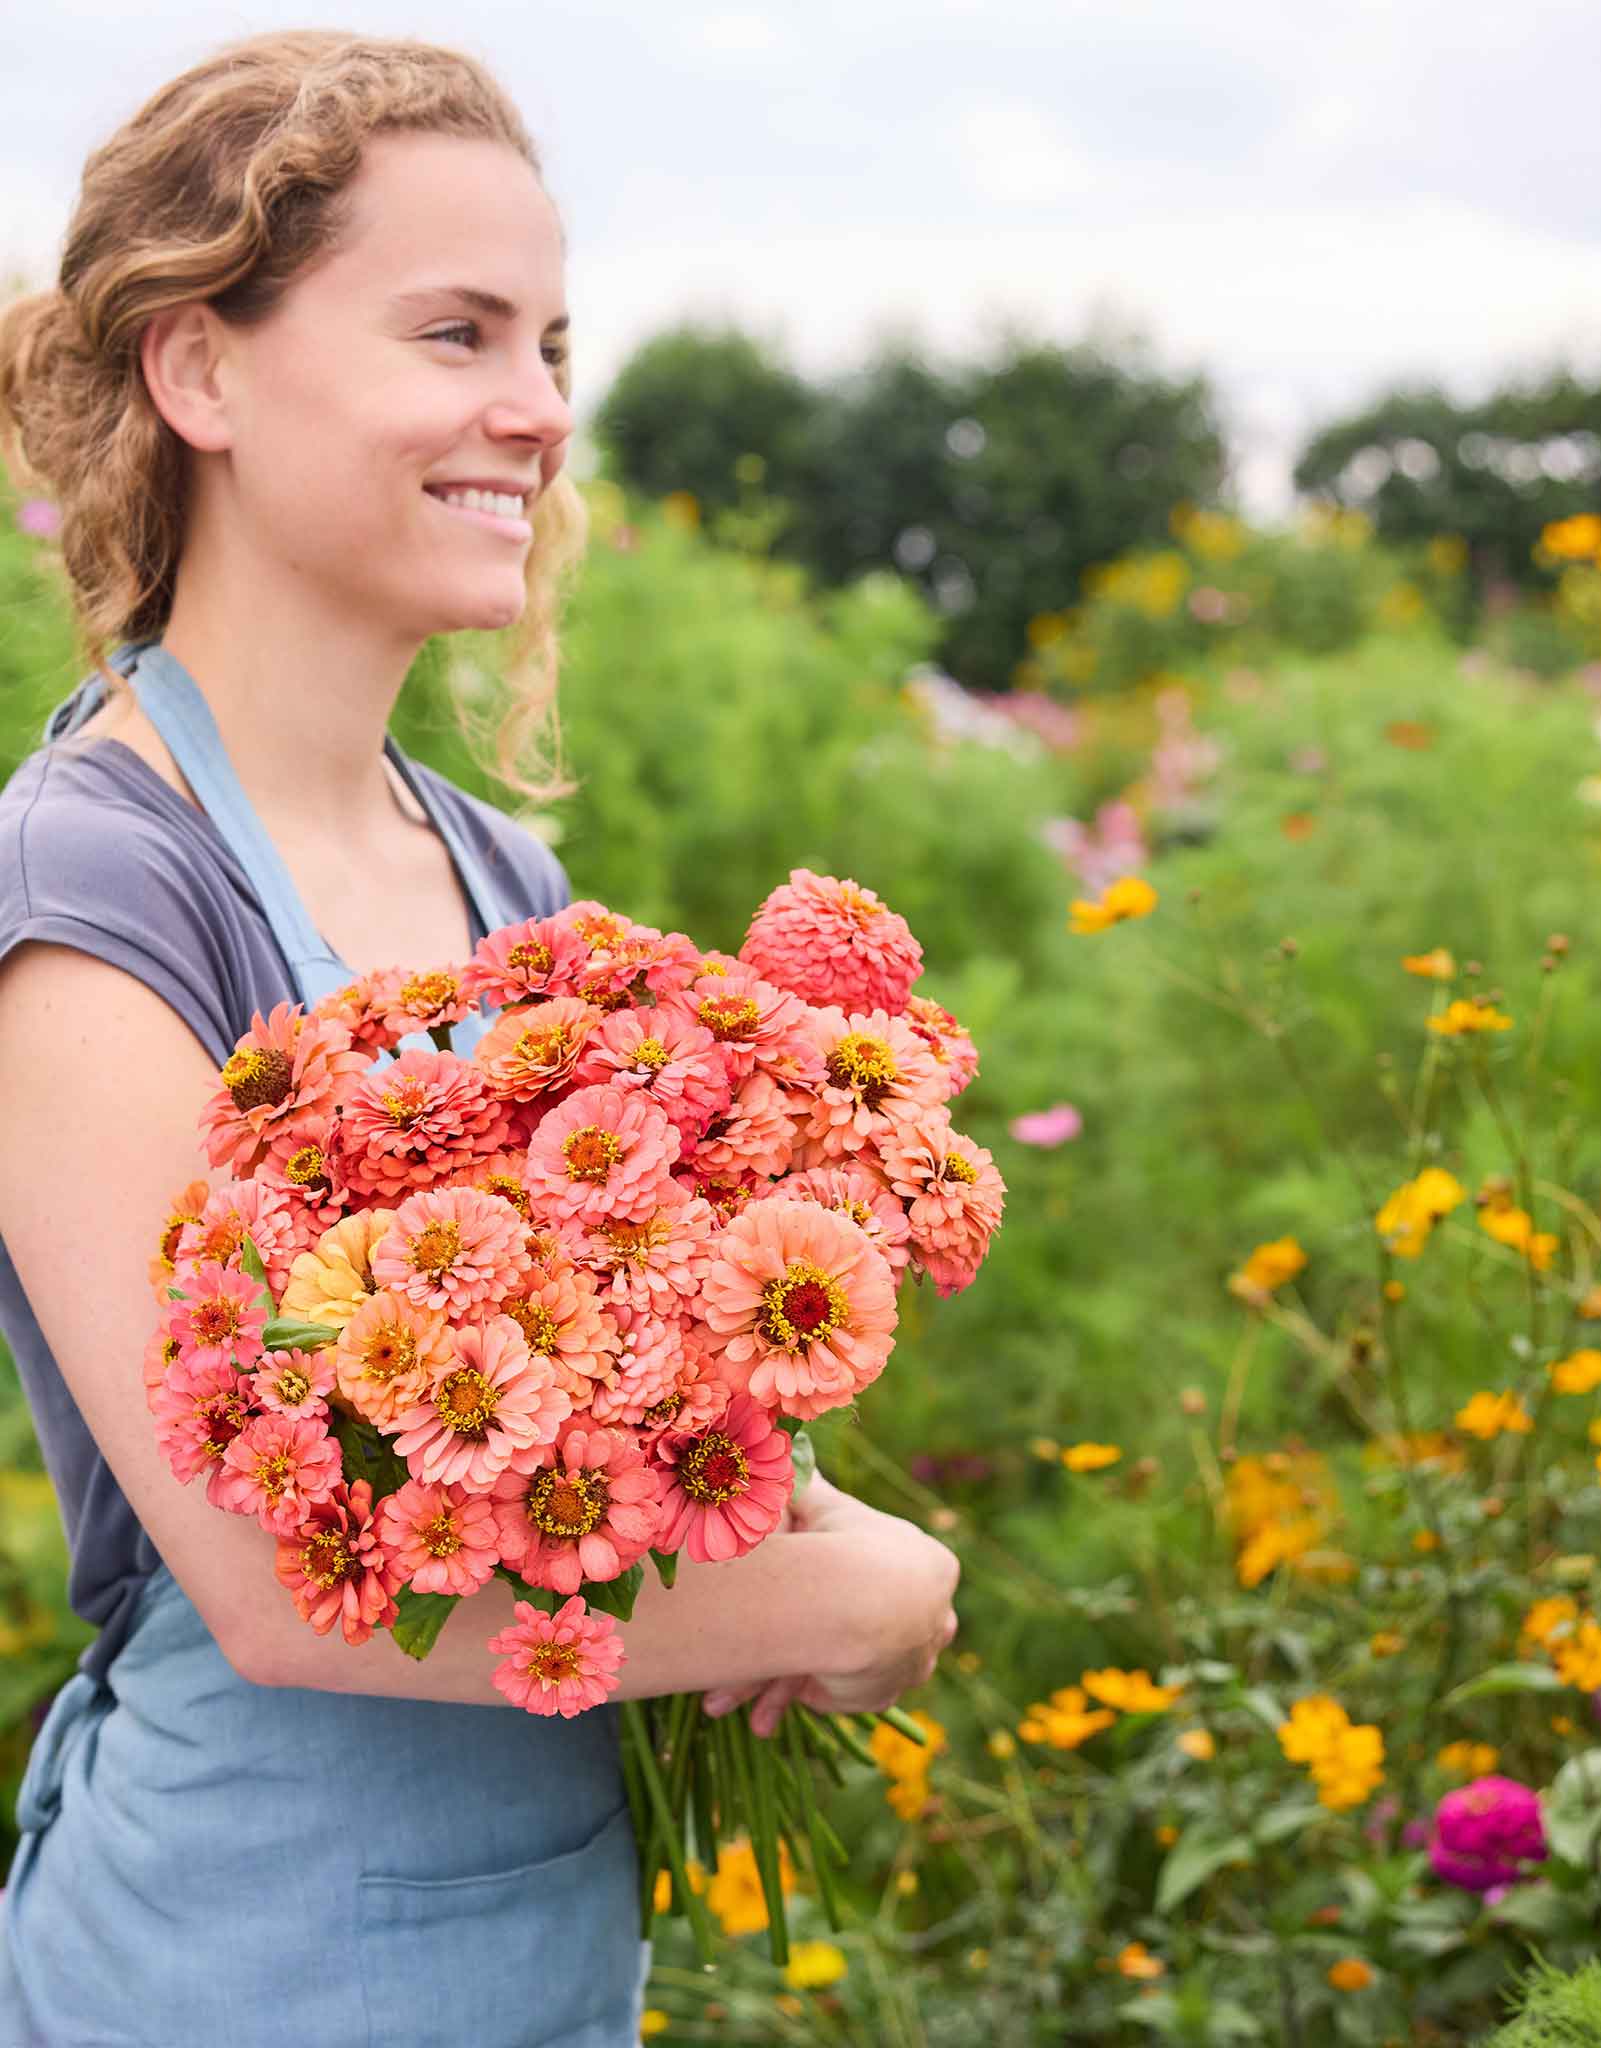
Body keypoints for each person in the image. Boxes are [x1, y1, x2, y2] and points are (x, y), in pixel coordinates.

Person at [0, 31, 959, 2047]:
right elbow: (276, 1584)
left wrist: (763, 1498)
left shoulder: (498, 870)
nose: (531, 412)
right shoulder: (85, 891)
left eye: (550, 348)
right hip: (239, 1964)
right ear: (202, 374)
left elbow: (613, 1430)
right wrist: (864, 1595)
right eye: (455, 333)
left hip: (540, 1952)